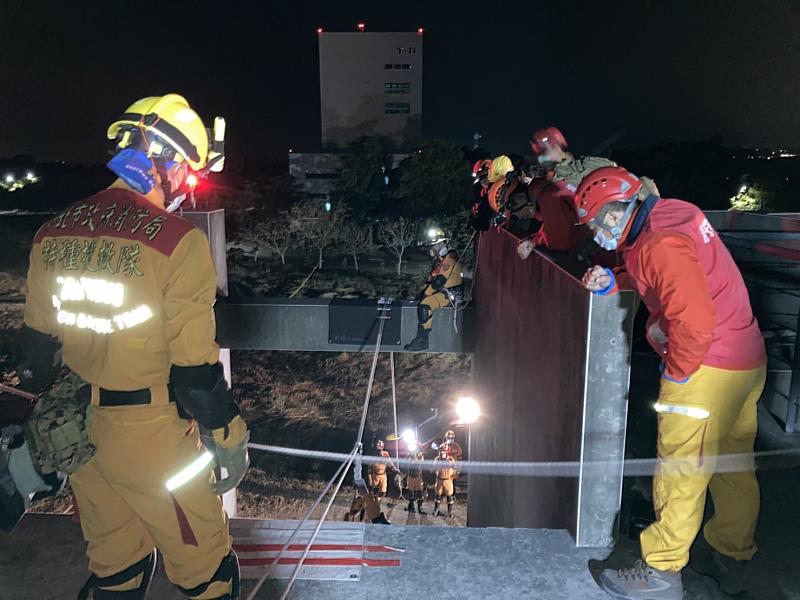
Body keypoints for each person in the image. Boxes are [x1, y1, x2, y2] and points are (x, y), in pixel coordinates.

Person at [20, 94, 248, 599]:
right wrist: (230, 438)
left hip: (82, 440)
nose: (185, 190)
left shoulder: (50, 234)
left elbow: (34, 362)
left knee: (116, 569)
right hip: (154, 443)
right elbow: (194, 373)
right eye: (187, 175)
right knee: (207, 570)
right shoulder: (177, 243)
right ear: (164, 160)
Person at [576, 166, 766, 600]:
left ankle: (661, 572)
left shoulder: (657, 244)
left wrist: (678, 374)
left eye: (595, 221)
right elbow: (670, 276)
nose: (594, 232)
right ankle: (732, 552)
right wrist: (615, 282)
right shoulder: (672, 214)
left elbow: (693, 321)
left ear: (617, 211)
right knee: (733, 463)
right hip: (745, 358)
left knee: (680, 469)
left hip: (704, 368)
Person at [517, 127, 616, 259]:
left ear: (558, 146)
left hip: (592, 258)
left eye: (546, 151)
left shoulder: (586, 170)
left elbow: (560, 239)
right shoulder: (551, 185)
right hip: (579, 259)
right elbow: (555, 227)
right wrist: (534, 240)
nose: (543, 157)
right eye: (540, 154)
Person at [404, 232, 464, 352]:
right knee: (422, 299)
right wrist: (424, 291)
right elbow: (433, 280)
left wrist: (427, 292)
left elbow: (438, 283)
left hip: (450, 295)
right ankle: (421, 337)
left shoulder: (449, 259)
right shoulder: (441, 260)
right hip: (444, 292)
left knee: (425, 305)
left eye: (434, 245)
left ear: (442, 244)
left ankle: (423, 340)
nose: (432, 249)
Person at [433, 448, 457, 519]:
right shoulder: (437, 459)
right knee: (438, 495)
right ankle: (436, 510)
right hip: (439, 480)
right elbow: (434, 469)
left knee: (449, 496)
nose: (442, 453)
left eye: (443, 452)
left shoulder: (450, 459)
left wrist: (454, 473)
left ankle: (450, 512)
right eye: (440, 452)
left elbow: (455, 467)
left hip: (448, 480)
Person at [403, 450, 426, 514]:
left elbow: (421, 462)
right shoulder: (409, 455)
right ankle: (411, 507)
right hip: (410, 477)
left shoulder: (420, 456)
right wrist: (409, 455)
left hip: (418, 477)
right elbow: (405, 462)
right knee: (411, 493)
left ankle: (420, 508)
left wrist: (415, 457)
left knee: (420, 493)